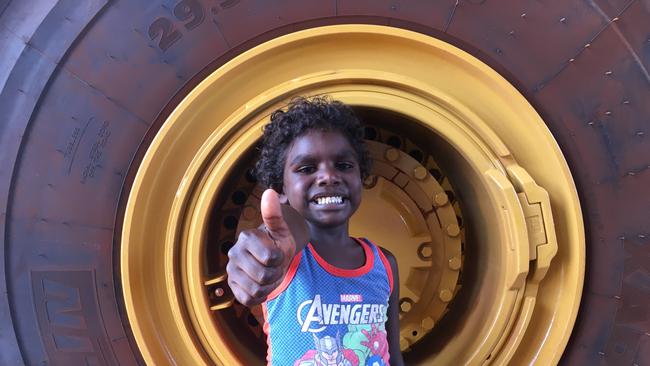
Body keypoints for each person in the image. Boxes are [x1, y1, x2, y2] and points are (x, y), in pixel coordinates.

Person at [226, 96, 404, 366]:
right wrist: (259, 252)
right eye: (307, 168)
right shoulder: (286, 257)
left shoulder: (385, 264)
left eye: (343, 165)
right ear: (282, 189)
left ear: (361, 176)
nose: (328, 177)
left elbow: (393, 354)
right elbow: (287, 234)